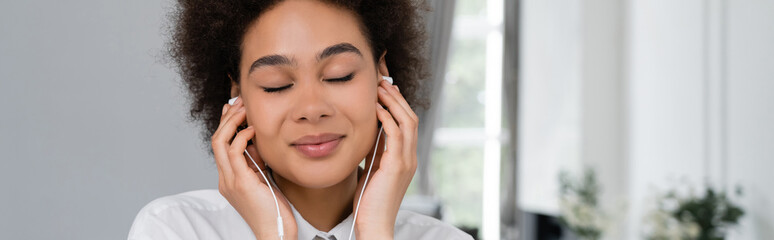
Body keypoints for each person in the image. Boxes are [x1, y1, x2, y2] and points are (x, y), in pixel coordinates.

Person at [128, 0, 473, 239]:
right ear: (237, 96)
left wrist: (375, 233)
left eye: (339, 76)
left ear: (383, 77)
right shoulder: (176, 229)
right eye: (276, 85)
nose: (311, 108)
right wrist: (273, 235)